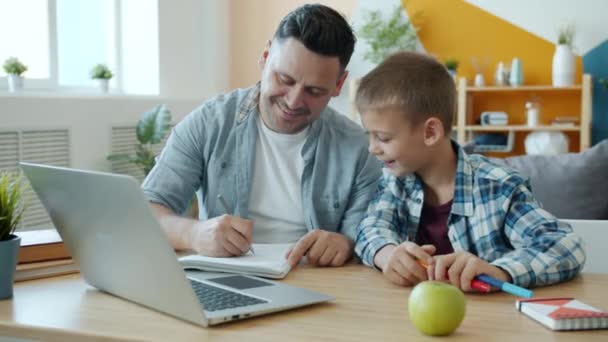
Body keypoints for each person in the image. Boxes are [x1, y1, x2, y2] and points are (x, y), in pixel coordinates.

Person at [142, 4, 381, 268]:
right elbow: (145, 210)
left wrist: (345, 243)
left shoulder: (360, 149)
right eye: (285, 79)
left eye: (314, 91)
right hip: (226, 279)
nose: (293, 101)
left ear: (338, 84)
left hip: (321, 286)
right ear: (265, 56)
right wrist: (194, 233)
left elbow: (369, 235)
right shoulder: (209, 123)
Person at [353, 51, 585, 290]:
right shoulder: (394, 181)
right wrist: (387, 253)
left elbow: (564, 245)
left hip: (492, 322)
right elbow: (370, 227)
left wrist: (500, 271)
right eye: (369, 136)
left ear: (431, 132)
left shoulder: (499, 187)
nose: (372, 149)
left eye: (383, 138)